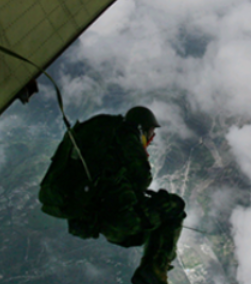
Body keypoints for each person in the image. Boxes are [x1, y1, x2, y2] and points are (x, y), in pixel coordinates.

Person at [38, 106, 185, 284]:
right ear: (142, 128)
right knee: (175, 207)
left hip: (92, 218)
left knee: (144, 228)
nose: (151, 138)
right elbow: (142, 178)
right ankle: (154, 270)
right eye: (151, 132)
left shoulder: (102, 134)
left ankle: (151, 272)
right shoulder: (128, 135)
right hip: (119, 223)